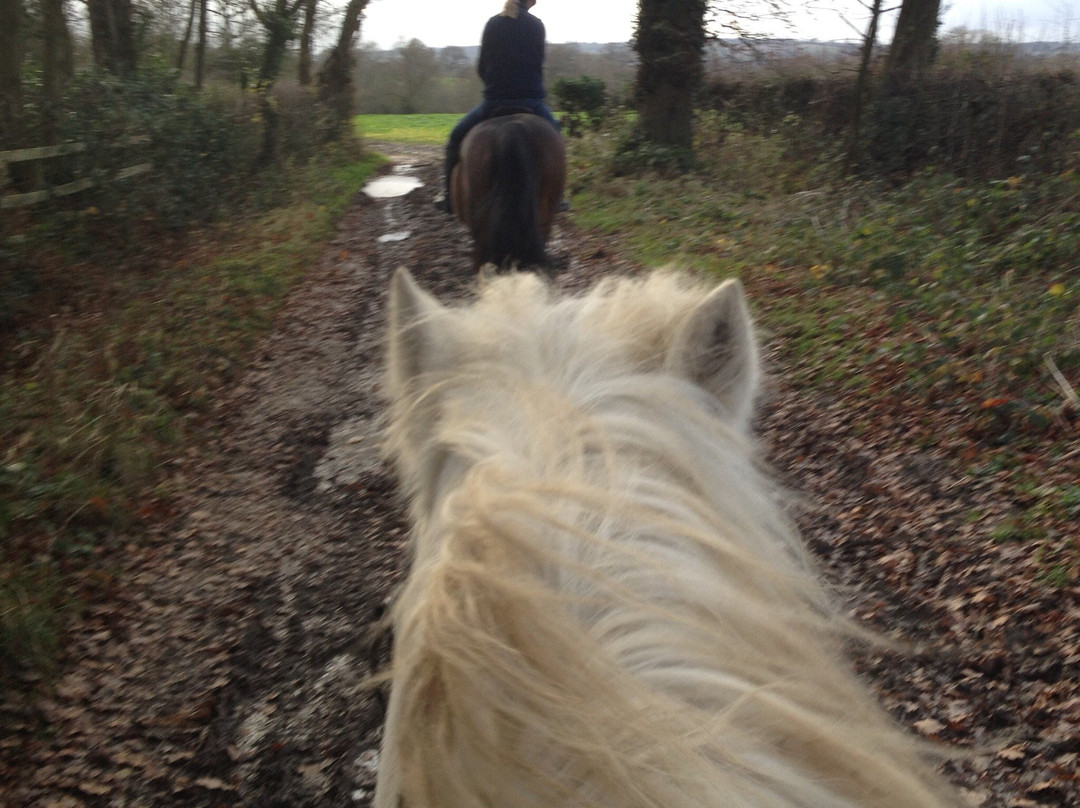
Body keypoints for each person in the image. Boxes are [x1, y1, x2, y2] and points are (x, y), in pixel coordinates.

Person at [433, 0, 566, 214]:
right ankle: (558, 197)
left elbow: (482, 66)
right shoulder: (537, 25)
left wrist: (494, 84)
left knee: (456, 138)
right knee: (556, 137)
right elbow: (537, 63)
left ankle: (448, 197)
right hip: (531, 101)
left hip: (495, 101)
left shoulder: (493, 24)